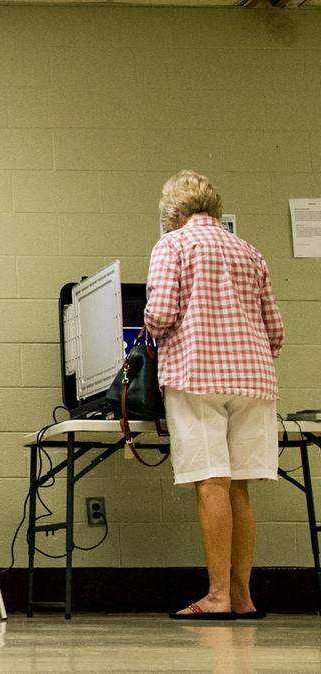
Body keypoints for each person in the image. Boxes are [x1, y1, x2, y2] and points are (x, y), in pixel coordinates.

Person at [144, 170, 284, 620]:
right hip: (255, 380)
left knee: (211, 481)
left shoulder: (174, 245)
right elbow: (275, 331)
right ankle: (243, 597)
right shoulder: (249, 250)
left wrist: (149, 332)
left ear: (172, 212)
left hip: (197, 375)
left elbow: (161, 314)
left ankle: (218, 596)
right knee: (238, 484)